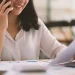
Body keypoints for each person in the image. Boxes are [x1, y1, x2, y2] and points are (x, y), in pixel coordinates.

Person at [0, 0, 66, 61]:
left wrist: (71, 54)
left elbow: (56, 50)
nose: (22, 0)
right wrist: (1, 29)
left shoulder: (34, 23)